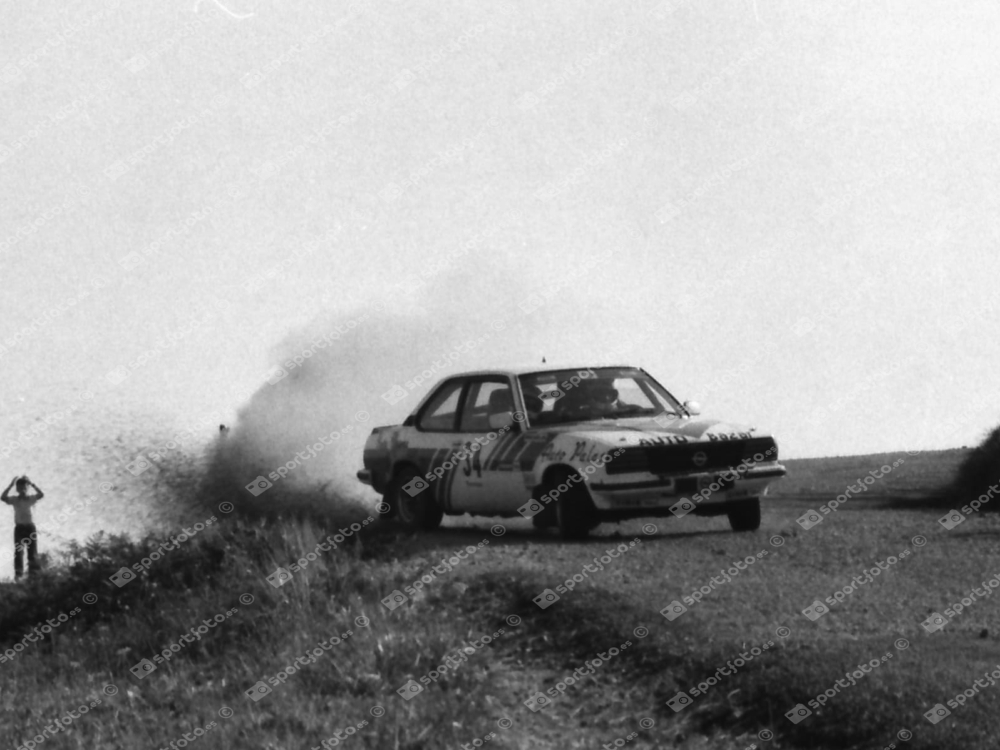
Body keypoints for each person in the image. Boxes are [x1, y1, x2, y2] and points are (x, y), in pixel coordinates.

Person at [2, 475, 44, 578]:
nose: (22, 489)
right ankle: (19, 575)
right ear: (17, 489)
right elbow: (3, 497)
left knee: (32, 552)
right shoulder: (14, 499)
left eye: (24, 487)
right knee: (19, 552)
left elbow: (41, 494)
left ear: (27, 488)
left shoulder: (31, 498)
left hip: (30, 527)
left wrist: (32, 484)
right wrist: (10, 485)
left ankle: (34, 575)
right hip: (19, 528)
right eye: (20, 487)